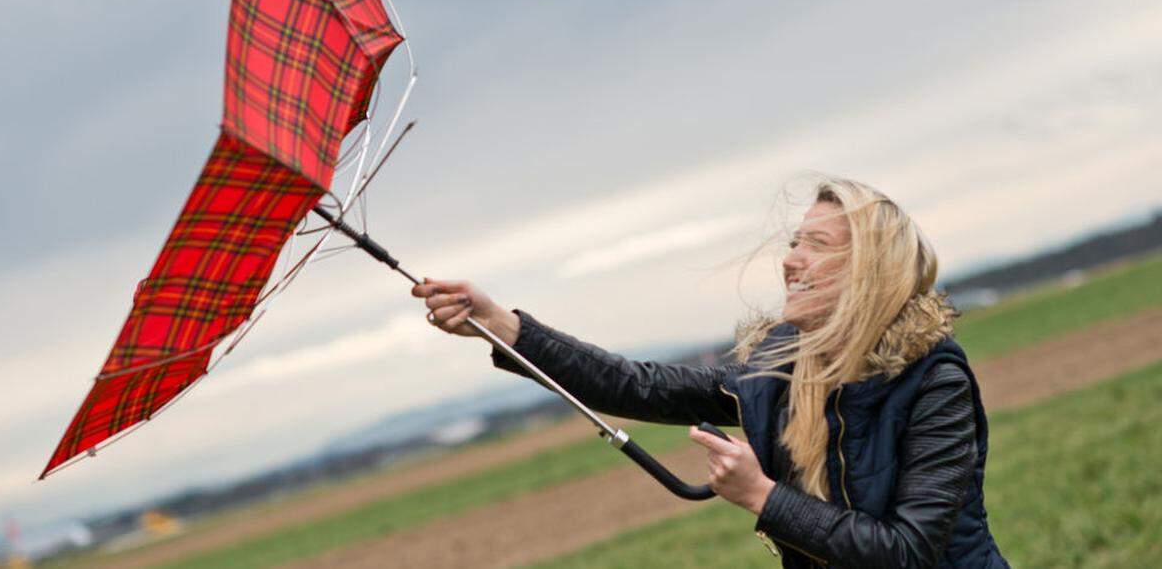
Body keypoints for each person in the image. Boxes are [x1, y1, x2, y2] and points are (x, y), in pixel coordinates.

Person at [411, 177, 1009, 568]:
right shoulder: (777, 371)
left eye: (816, 246)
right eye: (794, 242)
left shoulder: (933, 382)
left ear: (870, 271)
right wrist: (507, 328)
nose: (791, 260)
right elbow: (635, 385)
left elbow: (909, 554)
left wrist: (763, 496)